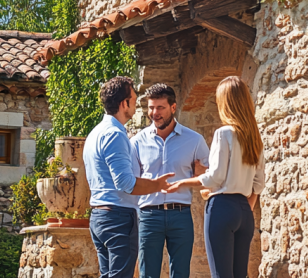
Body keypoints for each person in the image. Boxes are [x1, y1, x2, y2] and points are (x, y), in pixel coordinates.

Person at [165, 77, 265, 278]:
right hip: (245, 211)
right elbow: (259, 183)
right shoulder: (254, 136)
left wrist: (182, 182)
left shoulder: (223, 133)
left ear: (225, 103)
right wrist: (244, 208)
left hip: (222, 208)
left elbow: (215, 177)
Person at [84, 76, 175, 278]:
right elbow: (125, 183)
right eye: (133, 99)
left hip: (100, 216)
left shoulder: (95, 133)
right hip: (117, 217)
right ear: (124, 103)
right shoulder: (115, 134)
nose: (136, 104)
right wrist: (157, 185)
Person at [131, 84, 210, 278]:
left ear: (173, 108)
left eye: (160, 108)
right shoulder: (137, 142)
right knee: (147, 274)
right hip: (148, 215)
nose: (154, 113)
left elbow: (209, 177)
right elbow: (132, 182)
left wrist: (199, 176)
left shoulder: (195, 140)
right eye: (151, 108)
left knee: (181, 273)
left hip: (180, 214)